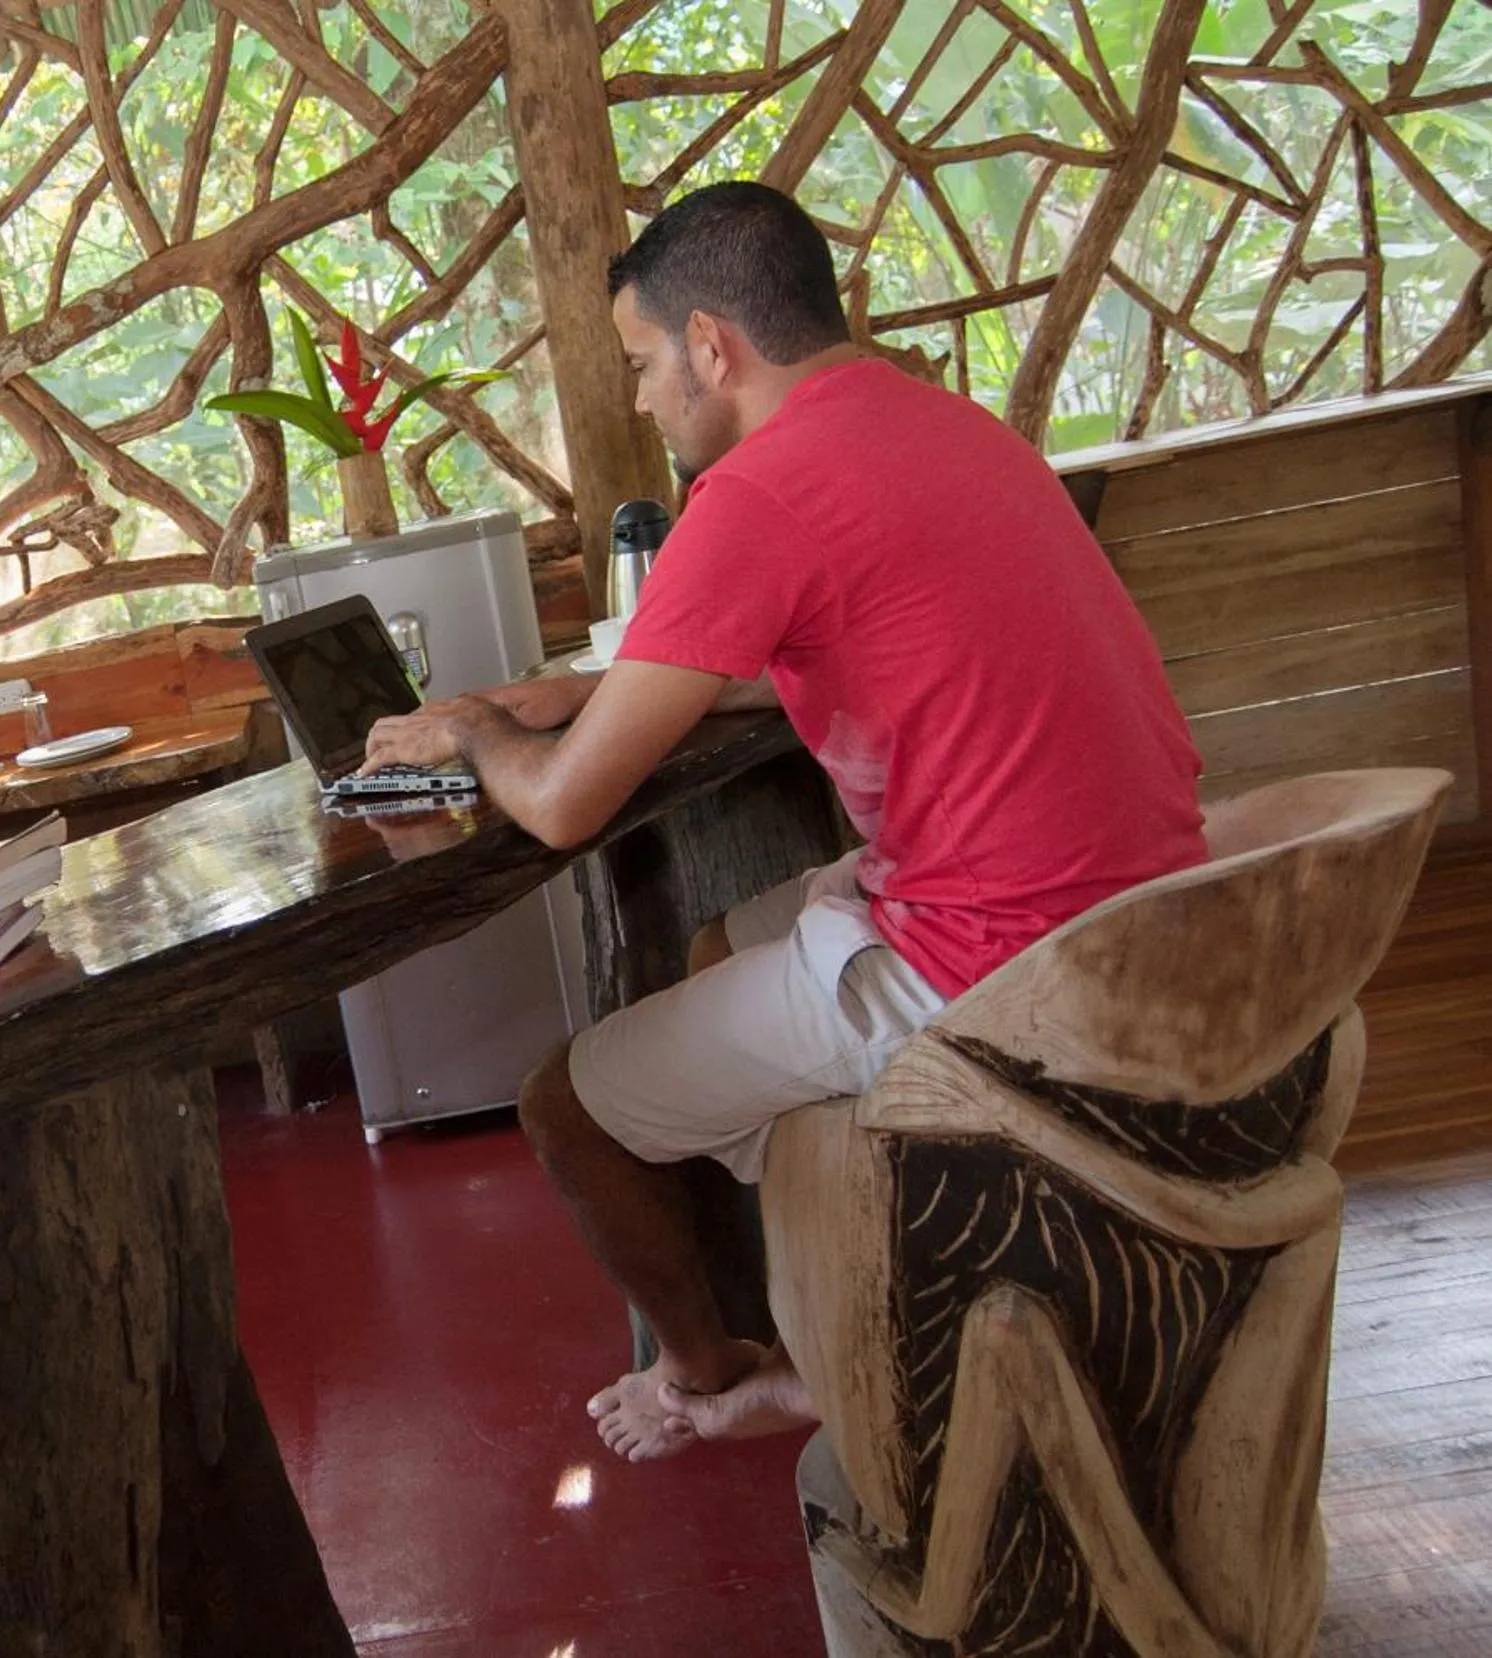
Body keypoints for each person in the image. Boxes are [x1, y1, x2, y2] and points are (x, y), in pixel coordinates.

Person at [358, 181, 1207, 1462]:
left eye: (644, 363)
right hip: (1144, 904)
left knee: (565, 1108)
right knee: (716, 949)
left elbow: (562, 802)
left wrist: (479, 731)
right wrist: (592, 690)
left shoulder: (752, 494)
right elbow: (833, 631)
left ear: (712, 346)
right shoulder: (944, 423)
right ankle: (837, 1298)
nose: (644, 400)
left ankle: (710, 1372)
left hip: (999, 963)